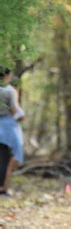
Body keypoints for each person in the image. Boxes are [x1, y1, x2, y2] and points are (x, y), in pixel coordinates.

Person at [0, 67, 19, 196]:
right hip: (4, 125)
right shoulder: (8, 91)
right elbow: (14, 109)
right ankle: (1, 187)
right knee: (3, 157)